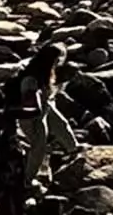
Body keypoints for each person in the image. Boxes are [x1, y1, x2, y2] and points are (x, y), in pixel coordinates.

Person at [15, 42, 79, 199]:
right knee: (39, 147)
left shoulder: (47, 72)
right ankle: (27, 180)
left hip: (46, 107)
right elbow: (29, 104)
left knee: (62, 125)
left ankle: (73, 148)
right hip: (33, 117)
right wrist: (38, 121)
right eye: (57, 60)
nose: (59, 63)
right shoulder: (31, 78)